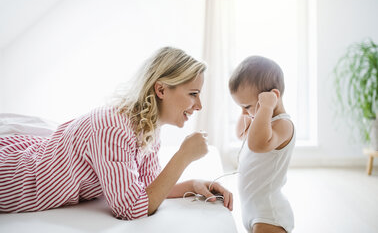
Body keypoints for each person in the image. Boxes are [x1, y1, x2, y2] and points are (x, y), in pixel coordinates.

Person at [0, 47, 233, 220]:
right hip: (13, 177)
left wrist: (193, 184)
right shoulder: (113, 129)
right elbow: (132, 207)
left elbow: (148, 186)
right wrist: (183, 156)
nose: (199, 105)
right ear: (161, 89)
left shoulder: (148, 126)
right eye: (193, 94)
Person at [229, 56, 295, 233]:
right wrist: (248, 109)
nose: (244, 113)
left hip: (269, 214)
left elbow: (257, 144)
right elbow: (241, 134)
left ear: (272, 97)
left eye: (248, 106)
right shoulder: (260, 121)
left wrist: (265, 108)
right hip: (252, 208)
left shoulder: (283, 125)